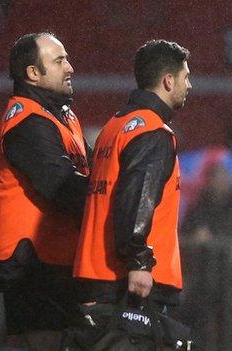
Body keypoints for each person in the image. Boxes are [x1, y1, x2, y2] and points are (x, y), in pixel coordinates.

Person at [71, 39, 191, 347]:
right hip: (128, 283)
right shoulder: (154, 132)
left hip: (97, 274)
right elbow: (137, 199)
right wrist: (139, 262)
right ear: (168, 81)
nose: (189, 85)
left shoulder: (116, 126)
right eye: (185, 76)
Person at [0, 32, 91, 350]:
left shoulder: (61, 115)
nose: (70, 67)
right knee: (43, 340)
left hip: (50, 256)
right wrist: (113, 200)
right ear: (33, 73)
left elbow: (89, 170)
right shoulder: (27, 122)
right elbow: (61, 186)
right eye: (59, 61)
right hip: (31, 259)